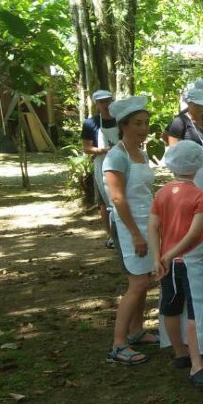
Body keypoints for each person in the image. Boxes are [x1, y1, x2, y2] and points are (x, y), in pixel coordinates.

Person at [147, 140, 203, 387]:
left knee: (171, 306)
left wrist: (159, 256)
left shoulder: (162, 192)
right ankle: (197, 365)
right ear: (197, 166)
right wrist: (169, 255)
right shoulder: (200, 195)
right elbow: (194, 233)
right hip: (188, 260)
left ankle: (179, 352)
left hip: (167, 260)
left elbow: (153, 226)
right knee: (196, 309)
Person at [103, 95, 158, 365]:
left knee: (145, 280)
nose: (144, 128)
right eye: (138, 123)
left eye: (146, 123)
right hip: (128, 226)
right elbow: (117, 199)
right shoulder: (116, 156)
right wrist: (135, 233)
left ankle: (136, 331)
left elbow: (145, 192)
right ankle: (118, 344)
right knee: (137, 283)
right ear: (123, 125)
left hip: (146, 222)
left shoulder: (142, 153)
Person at [81, 90, 117, 247]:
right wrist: (103, 150)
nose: (106, 104)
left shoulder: (121, 120)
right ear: (97, 104)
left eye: (108, 101)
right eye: (102, 102)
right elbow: (87, 148)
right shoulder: (90, 123)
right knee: (104, 203)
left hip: (121, 162)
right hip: (101, 164)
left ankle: (123, 234)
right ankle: (111, 236)